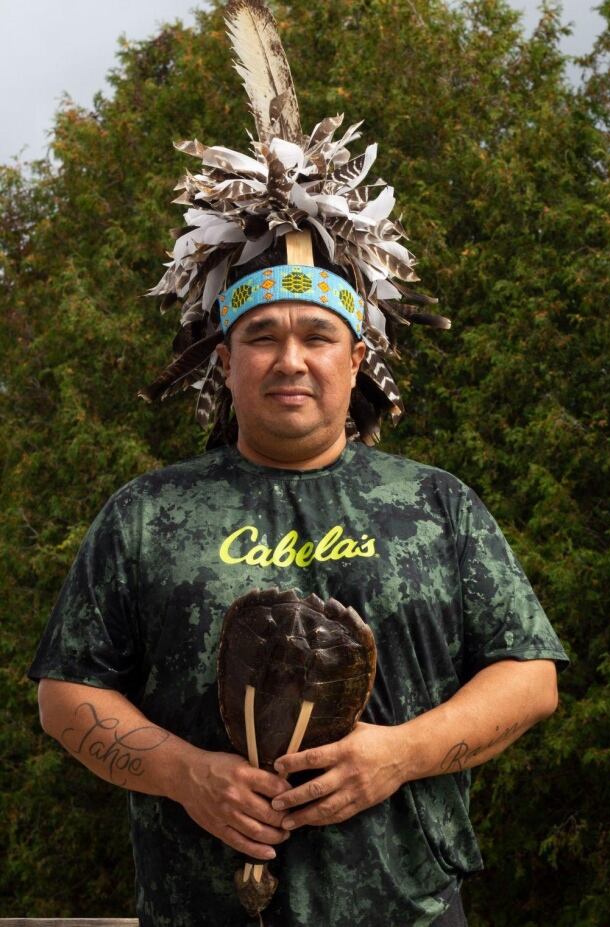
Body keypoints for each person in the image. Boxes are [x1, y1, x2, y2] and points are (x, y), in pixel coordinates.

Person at [29, 3, 569, 925]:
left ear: (356, 360)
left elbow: (530, 674)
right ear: (225, 361)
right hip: (202, 905)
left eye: (318, 335)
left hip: (407, 906)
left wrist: (400, 752)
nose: (291, 358)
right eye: (263, 336)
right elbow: (66, 690)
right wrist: (186, 772)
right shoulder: (149, 514)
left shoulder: (435, 504)